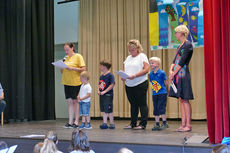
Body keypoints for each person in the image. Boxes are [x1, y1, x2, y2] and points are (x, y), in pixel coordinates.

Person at [169, 25, 194, 132]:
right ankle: (183, 124)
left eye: (176, 32)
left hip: (183, 74)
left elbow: (182, 61)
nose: (175, 35)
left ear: (182, 33)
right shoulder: (180, 46)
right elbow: (174, 61)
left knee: (185, 99)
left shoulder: (188, 45)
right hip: (177, 74)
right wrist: (171, 71)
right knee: (181, 99)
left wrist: (173, 73)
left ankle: (188, 125)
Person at [122, 39, 149, 130]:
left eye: (133, 49)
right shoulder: (128, 58)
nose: (131, 51)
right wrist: (124, 76)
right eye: (129, 49)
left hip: (140, 83)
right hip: (129, 84)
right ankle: (133, 123)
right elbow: (126, 70)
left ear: (137, 48)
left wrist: (134, 75)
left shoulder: (142, 56)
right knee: (133, 104)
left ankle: (143, 124)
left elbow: (146, 70)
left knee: (142, 104)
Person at [61, 42, 86, 128]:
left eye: (67, 50)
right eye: (65, 50)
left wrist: (72, 68)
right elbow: (62, 71)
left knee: (76, 102)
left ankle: (76, 122)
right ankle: (70, 122)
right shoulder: (65, 58)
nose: (66, 52)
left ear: (72, 48)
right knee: (70, 102)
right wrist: (61, 67)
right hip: (66, 82)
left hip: (75, 82)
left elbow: (83, 68)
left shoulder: (78, 56)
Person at [149, 57, 169, 131]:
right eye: (150, 63)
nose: (151, 64)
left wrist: (167, 91)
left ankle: (165, 123)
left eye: (153, 63)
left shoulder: (162, 73)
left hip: (162, 93)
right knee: (156, 108)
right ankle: (157, 123)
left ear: (158, 64)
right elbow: (152, 83)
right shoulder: (150, 74)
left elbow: (165, 83)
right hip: (155, 94)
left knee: (161, 107)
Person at [98, 60, 115, 129]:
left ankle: (112, 123)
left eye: (101, 66)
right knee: (103, 109)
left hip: (108, 95)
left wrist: (105, 91)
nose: (100, 67)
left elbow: (112, 84)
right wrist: (98, 90)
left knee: (109, 109)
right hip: (102, 95)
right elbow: (99, 84)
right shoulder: (101, 76)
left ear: (104, 67)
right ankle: (104, 123)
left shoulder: (110, 75)